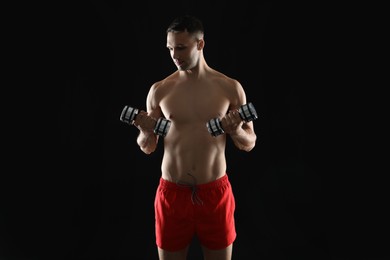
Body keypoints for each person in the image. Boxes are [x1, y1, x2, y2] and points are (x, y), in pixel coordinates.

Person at [130, 14, 257, 260]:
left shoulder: (229, 87)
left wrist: (235, 130)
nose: (174, 55)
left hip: (215, 194)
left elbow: (249, 143)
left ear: (200, 44)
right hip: (172, 195)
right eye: (169, 48)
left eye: (181, 47)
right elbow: (147, 148)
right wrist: (145, 131)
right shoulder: (160, 90)